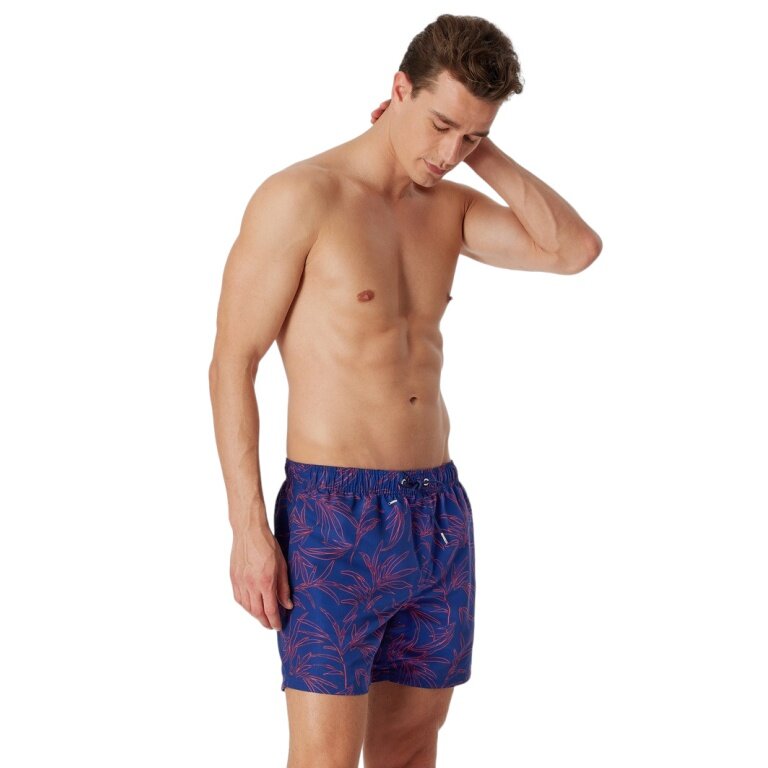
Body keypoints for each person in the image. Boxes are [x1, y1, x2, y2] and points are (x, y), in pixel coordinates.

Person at [208, 12, 602, 768]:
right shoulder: (303, 196)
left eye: (472, 138)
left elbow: (574, 250)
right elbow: (233, 361)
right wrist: (248, 529)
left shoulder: (450, 207)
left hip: (437, 511)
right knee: (324, 758)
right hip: (332, 515)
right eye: (441, 125)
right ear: (398, 89)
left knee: (411, 747)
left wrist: (484, 153)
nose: (449, 154)